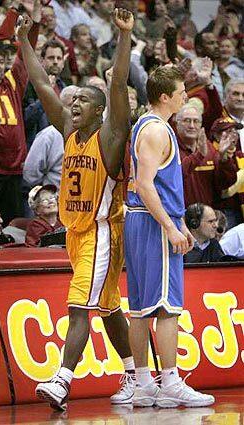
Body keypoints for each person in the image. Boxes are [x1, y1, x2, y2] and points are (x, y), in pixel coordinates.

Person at [17, 8, 135, 411]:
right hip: (75, 232)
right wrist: (23, 42)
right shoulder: (69, 131)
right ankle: (138, 375)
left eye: (84, 99)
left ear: (101, 111)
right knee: (108, 306)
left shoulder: (111, 137)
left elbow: (118, 83)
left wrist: (122, 36)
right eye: (74, 98)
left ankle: (62, 379)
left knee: (79, 304)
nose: (75, 102)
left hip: (103, 231)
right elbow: (39, 82)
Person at [125, 65, 215, 408]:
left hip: (141, 220)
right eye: (181, 92)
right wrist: (170, 226)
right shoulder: (157, 131)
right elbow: (146, 186)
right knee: (166, 307)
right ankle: (171, 382)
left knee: (140, 309)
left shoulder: (146, 125)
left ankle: (145, 383)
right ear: (165, 97)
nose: (185, 97)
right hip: (152, 221)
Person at [0, 0, 41, 226]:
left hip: (15, 168)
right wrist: (14, 10)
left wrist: (34, 24)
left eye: (0, 62)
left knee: (12, 223)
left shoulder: (12, 83)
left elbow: (28, 53)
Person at [175, 105, 238, 208]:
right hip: (180, 215)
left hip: (207, 217)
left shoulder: (210, 149)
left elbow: (225, 184)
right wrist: (198, 155)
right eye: (187, 120)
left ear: (201, 125)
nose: (191, 126)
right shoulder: (171, 147)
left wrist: (224, 158)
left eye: (196, 121)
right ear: (177, 123)